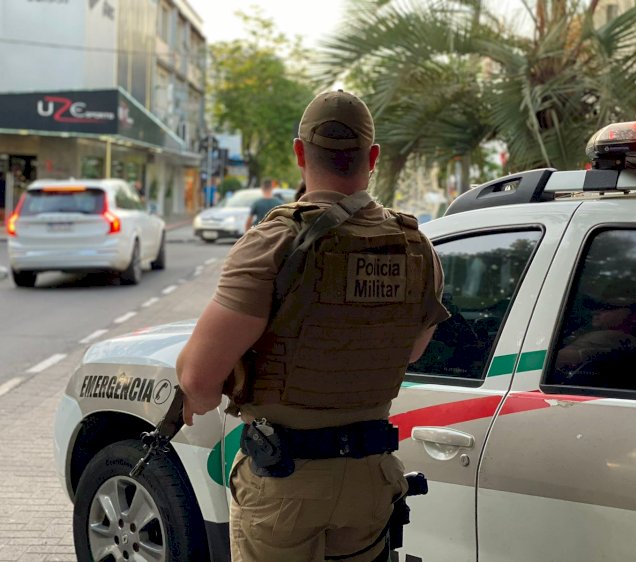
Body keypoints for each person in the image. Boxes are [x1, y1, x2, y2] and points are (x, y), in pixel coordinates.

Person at [176, 89, 450, 562]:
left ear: (300, 153)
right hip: (371, 478)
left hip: (285, 480)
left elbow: (198, 379)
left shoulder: (273, 243)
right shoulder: (415, 247)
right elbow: (409, 352)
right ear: (373, 158)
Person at [554, 284, 636, 391]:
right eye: (598, 306)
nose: (596, 311)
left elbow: (548, 362)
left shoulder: (612, 338)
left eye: (608, 307)